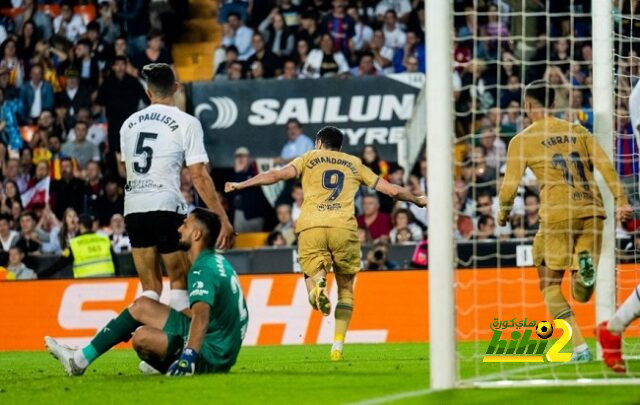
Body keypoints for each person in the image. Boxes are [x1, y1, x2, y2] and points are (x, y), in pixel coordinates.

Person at [225, 126, 426, 360]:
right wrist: (417, 199)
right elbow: (391, 190)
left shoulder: (309, 158)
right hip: (344, 228)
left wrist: (241, 184)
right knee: (346, 291)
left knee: (311, 272)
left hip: (312, 226)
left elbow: (276, 176)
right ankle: (337, 347)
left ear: (319, 143)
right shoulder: (354, 163)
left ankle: (318, 287)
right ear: (339, 146)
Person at [498, 80, 633, 362]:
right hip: (592, 211)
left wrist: (503, 213)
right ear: (554, 104)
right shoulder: (577, 130)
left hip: (558, 215)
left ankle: (580, 348)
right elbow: (606, 166)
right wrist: (622, 200)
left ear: (528, 105)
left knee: (548, 285)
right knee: (582, 293)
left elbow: (510, 187)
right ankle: (584, 270)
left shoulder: (522, 139)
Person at [45, 208, 248, 376]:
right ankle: (79, 359)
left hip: (211, 356)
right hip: (220, 344)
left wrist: (188, 359)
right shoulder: (216, 261)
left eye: (185, 225)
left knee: (142, 338)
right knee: (143, 306)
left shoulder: (202, 269)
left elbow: (201, 318)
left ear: (196, 235)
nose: (179, 228)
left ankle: (178, 362)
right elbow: (213, 316)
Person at [119, 63, 234, 315]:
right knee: (180, 285)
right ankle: (188, 349)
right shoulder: (186, 122)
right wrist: (222, 218)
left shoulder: (128, 124)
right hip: (166, 207)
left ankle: (152, 352)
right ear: (176, 88)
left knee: (149, 289)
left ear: (148, 93)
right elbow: (199, 177)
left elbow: (125, 168)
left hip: (134, 207)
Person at [40, 214, 117, 279]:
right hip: (108, 282)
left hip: (85, 284)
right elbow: (116, 263)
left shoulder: (75, 243)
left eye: (76, 224)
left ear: (81, 226)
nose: (75, 227)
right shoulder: (104, 239)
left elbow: (59, 264)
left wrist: (40, 276)